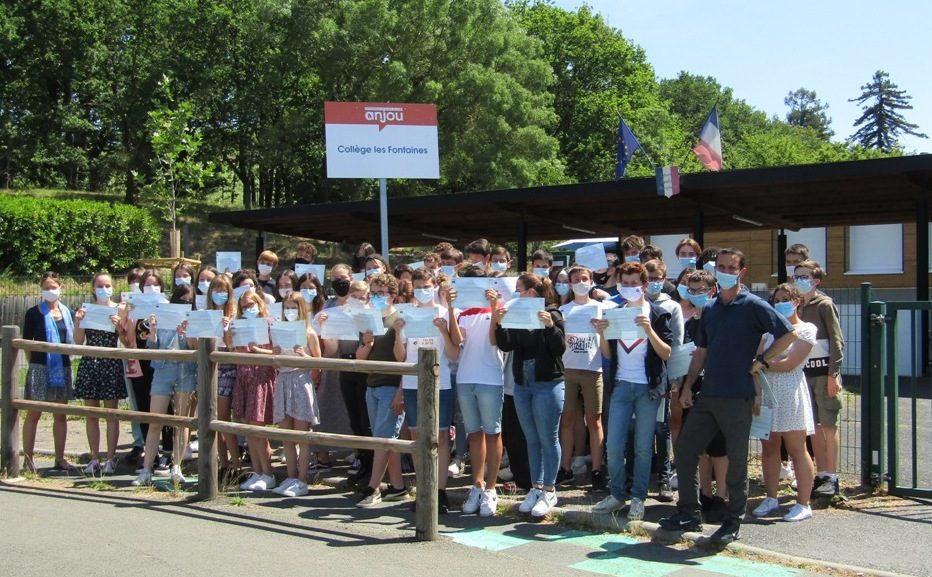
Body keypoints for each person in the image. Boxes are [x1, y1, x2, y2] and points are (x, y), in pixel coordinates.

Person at [660, 248, 797, 544]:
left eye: (730, 267)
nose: (724, 271)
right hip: (708, 395)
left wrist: (762, 360)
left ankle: (733, 521)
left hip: (738, 397)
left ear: (741, 271)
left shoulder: (753, 305)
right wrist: (687, 386)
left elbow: (787, 334)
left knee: (736, 461)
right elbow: (702, 352)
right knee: (685, 449)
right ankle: (689, 512)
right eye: (720, 266)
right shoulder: (710, 309)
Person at [591, 262, 673, 521]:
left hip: (647, 387)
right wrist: (602, 334)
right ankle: (617, 494)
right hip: (621, 385)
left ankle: (638, 497)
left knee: (642, 447)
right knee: (614, 445)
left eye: (634, 283)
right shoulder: (615, 313)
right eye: (624, 283)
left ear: (644, 285)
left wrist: (648, 330)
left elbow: (666, 353)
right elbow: (607, 354)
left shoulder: (658, 314)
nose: (629, 288)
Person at [494, 273, 566, 518]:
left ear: (532, 292)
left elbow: (559, 348)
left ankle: (549, 488)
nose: (516, 294)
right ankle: (535, 487)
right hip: (523, 382)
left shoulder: (553, 314)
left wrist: (549, 327)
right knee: (531, 438)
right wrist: (500, 324)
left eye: (519, 290)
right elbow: (506, 345)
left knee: (549, 437)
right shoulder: (517, 315)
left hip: (547, 382)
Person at [394, 268, 462, 513]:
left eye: (427, 285)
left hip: (440, 382)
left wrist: (444, 330)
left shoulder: (445, 312)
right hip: (412, 383)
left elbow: (455, 354)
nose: (423, 290)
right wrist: (398, 331)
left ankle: (440, 491)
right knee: (416, 438)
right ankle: (423, 489)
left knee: (440, 437)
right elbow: (400, 356)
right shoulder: (406, 313)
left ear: (435, 286)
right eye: (418, 286)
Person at [752, 283, 817, 522]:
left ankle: (803, 503)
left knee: (796, 448)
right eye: (777, 299)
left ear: (797, 301)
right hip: (766, 393)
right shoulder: (768, 333)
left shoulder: (807, 329)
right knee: (769, 447)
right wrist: (757, 394)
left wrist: (764, 364)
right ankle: (770, 497)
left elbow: (791, 362)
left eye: (785, 298)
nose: (780, 303)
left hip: (791, 393)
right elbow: (755, 363)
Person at [132, 285, 198, 486]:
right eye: (182, 299)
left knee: (181, 421)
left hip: (185, 371)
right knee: (155, 420)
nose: (185, 303)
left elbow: (195, 347)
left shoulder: (193, 317)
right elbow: (152, 345)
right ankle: (146, 470)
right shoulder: (162, 314)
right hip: (162, 370)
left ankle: (176, 466)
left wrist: (188, 333)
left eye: (189, 300)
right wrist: (152, 331)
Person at [355, 273, 411, 507]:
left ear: (393, 296)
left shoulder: (400, 318)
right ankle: (398, 487)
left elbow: (403, 359)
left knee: (383, 438)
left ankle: (373, 487)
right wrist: (366, 342)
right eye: (374, 293)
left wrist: (401, 390)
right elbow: (360, 359)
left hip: (391, 385)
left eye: (381, 293)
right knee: (387, 438)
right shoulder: (369, 318)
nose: (377, 297)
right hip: (372, 384)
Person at [456, 266, 506, 517]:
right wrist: (448, 306)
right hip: (465, 379)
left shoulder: (498, 308)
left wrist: (494, 308)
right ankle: (476, 485)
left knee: (492, 433)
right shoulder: (462, 313)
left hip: (490, 378)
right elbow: (456, 343)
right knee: (473, 434)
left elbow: (495, 340)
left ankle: (492, 488)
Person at [557, 265, 611, 491]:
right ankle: (565, 468)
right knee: (567, 420)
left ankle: (597, 469)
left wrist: (601, 332)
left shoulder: (601, 308)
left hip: (593, 370)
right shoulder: (563, 310)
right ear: (570, 284)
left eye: (584, 278)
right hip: (568, 370)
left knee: (594, 420)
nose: (580, 282)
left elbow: (608, 352)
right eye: (576, 279)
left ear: (591, 281)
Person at [793, 259, 844, 497]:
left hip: (823, 375)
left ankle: (830, 476)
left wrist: (833, 374)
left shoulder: (824, 305)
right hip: (803, 375)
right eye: (797, 276)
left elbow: (836, 341)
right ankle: (818, 475)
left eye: (804, 276)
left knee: (828, 426)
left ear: (815, 280)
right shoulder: (795, 306)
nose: (799, 280)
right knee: (812, 428)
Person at [21, 272, 76, 471]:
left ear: (60, 288)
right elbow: (26, 343)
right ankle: (28, 459)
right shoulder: (33, 313)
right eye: (46, 287)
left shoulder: (67, 312)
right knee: (34, 414)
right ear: (41, 290)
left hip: (63, 367)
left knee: (60, 415)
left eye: (53, 287)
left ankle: (60, 458)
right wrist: (34, 364)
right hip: (39, 367)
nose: (50, 291)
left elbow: (73, 339)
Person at [73, 272, 125, 475]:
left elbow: (125, 338)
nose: (105, 289)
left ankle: (111, 459)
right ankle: (94, 458)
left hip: (111, 363)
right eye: (100, 285)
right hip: (90, 363)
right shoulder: (86, 309)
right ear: (93, 288)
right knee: (91, 414)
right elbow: (78, 341)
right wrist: (78, 321)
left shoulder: (118, 308)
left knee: (111, 414)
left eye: (108, 285)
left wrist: (119, 325)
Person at [272, 292, 323, 498]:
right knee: (286, 435)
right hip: (283, 379)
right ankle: (291, 476)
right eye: (287, 307)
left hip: (301, 380)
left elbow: (319, 362)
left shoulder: (309, 332)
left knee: (302, 434)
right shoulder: (278, 330)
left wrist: (305, 356)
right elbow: (275, 357)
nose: (290, 311)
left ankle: (302, 479)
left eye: (294, 308)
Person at [642, 259, 684, 502]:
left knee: (662, 428)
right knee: (640, 428)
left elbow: (676, 344)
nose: (654, 283)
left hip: (661, 375)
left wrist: (674, 377)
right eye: (650, 278)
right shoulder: (635, 304)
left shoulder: (672, 307)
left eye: (658, 278)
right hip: (637, 374)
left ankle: (664, 478)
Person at [232, 289, 278, 491]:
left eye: (251, 305)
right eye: (243, 307)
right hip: (244, 376)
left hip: (261, 376)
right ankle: (257, 471)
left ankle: (268, 473)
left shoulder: (269, 323)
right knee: (248, 428)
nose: (247, 309)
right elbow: (233, 349)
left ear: (259, 303)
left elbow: (277, 350)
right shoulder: (240, 324)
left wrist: (259, 351)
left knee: (259, 429)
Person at [206, 274, 241, 477]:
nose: (220, 294)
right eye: (216, 290)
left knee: (223, 416)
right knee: (211, 417)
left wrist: (228, 330)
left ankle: (236, 464)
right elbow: (195, 343)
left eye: (224, 291)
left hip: (228, 366)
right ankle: (222, 463)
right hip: (209, 365)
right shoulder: (205, 313)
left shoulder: (235, 315)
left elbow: (233, 347)